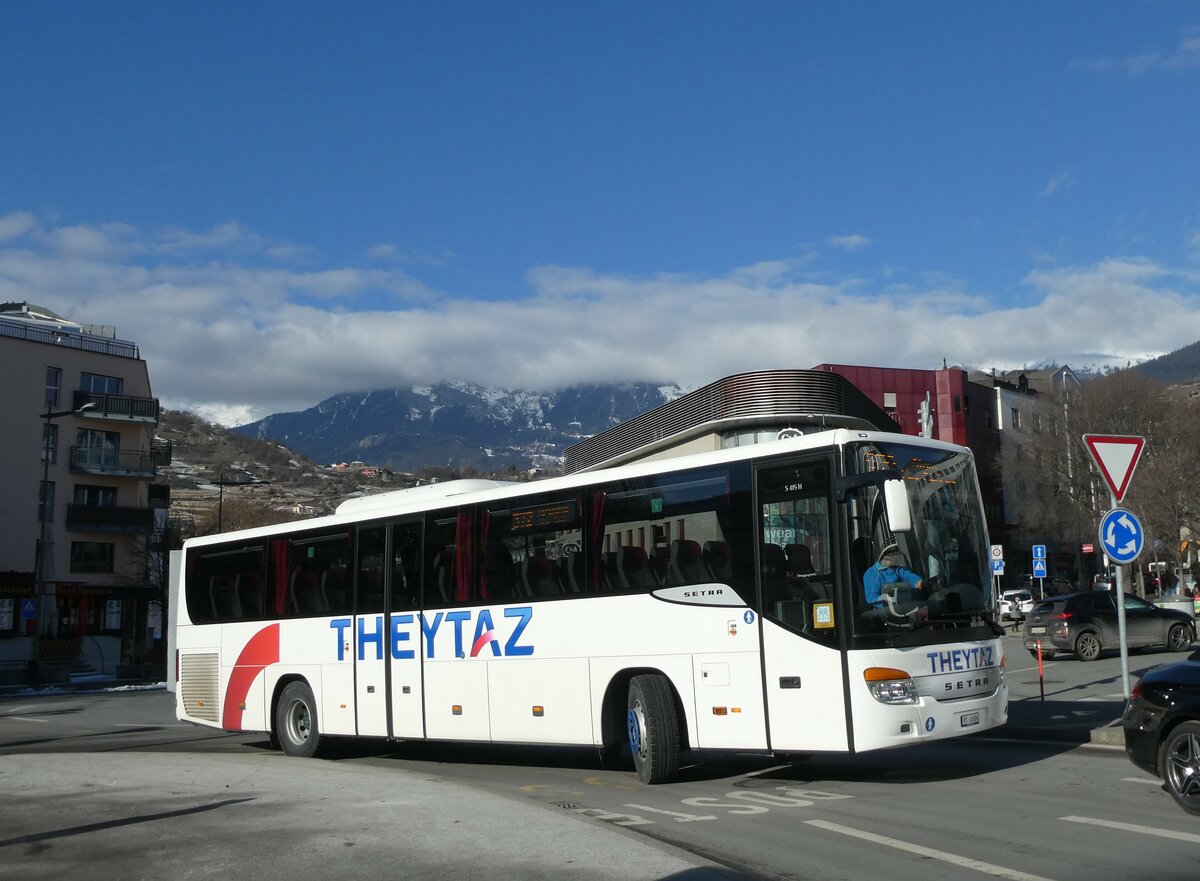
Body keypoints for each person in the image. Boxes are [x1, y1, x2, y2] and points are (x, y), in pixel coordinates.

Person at [863, 541, 923, 609]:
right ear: (882, 556)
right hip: (885, 613)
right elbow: (872, 598)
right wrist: (885, 600)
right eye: (890, 554)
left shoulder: (896, 569)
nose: (893, 558)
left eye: (895, 554)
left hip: (904, 607)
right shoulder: (871, 573)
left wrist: (917, 582)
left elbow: (907, 575)